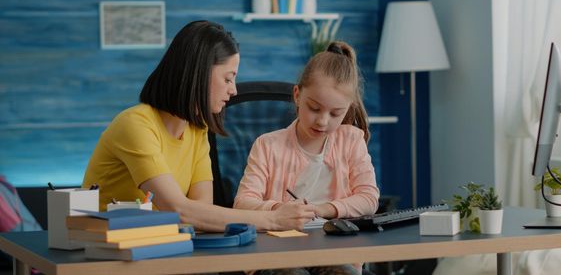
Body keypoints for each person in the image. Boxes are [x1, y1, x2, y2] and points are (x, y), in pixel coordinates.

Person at [82, 20, 315, 232]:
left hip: (162, 251)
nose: (233, 90)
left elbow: (201, 213)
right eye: (227, 78)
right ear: (199, 73)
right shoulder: (135, 125)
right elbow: (179, 210)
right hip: (110, 256)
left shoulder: (196, 129)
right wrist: (273, 219)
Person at [234, 41, 380, 275]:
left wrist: (323, 209)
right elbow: (242, 204)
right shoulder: (267, 145)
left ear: (348, 108)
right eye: (314, 108)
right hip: (278, 252)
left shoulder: (352, 140)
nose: (323, 121)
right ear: (297, 95)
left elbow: (368, 198)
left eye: (335, 114)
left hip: (334, 251)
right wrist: (280, 209)